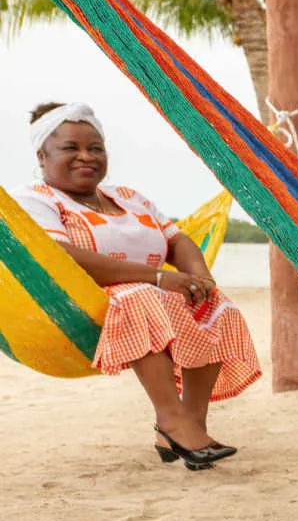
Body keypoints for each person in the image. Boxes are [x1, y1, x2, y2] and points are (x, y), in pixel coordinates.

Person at [13, 102, 259, 469]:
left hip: (155, 298)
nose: (86, 156)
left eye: (95, 148)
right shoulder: (35, 199)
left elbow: (179, 241)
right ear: (42, 155)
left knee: (215, 305)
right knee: (140, 295)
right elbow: (61, 256)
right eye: (70, 148)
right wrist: (159, 278)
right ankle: (171, 420)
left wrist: (201, 279)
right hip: (86, 307)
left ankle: (191, 426)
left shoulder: (129, 198)